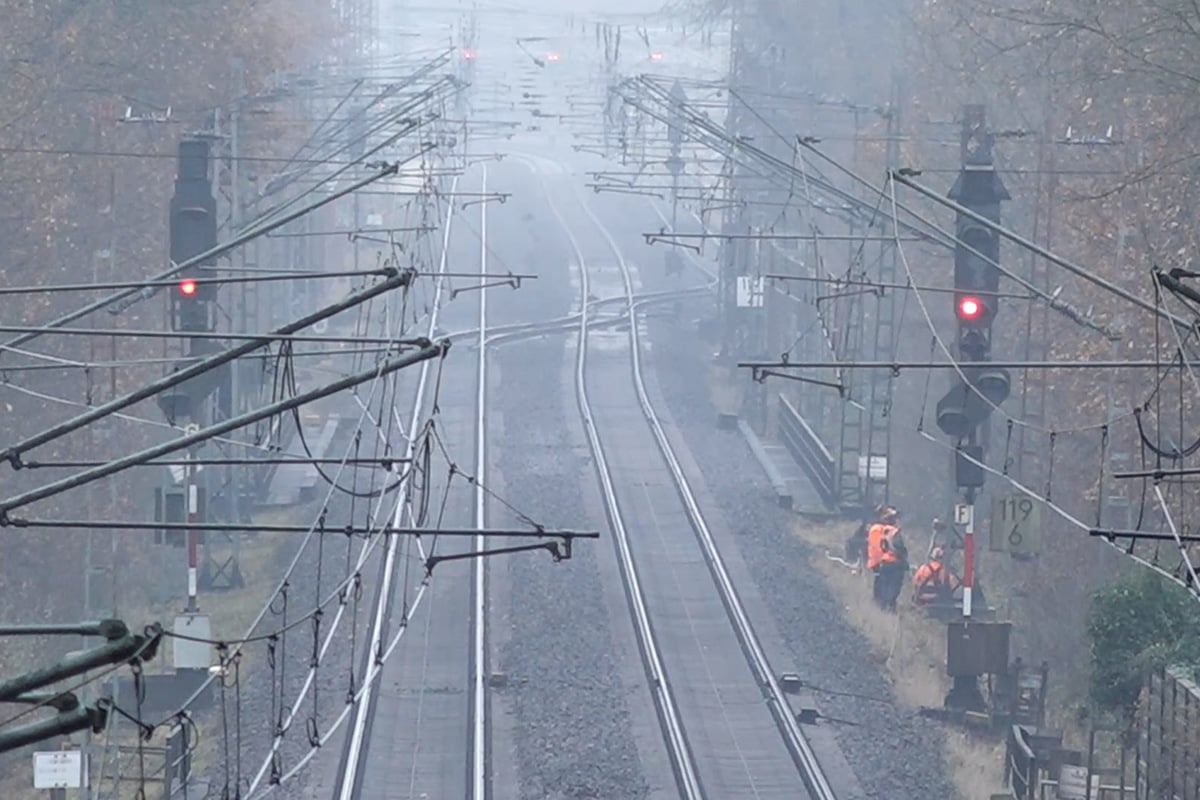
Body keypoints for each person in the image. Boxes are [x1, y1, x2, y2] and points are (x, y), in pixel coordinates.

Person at [875, 523, 909, 611]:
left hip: (885, 562)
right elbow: (900, 549)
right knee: (893, 586)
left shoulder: (884, 532)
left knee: (884, 585)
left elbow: (882, 548)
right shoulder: (895, 534)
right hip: (894, 563)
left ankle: (883, 606)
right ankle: (889, 605)